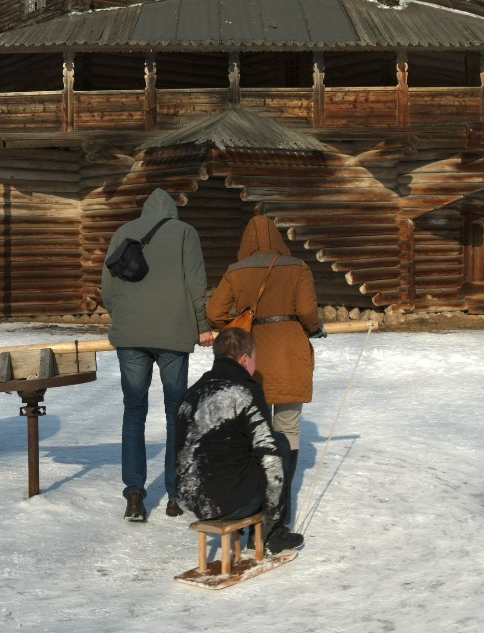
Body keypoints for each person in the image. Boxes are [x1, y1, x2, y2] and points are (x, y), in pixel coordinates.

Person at [100, 187, 214, 522]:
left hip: (131, 336)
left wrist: (120, 316)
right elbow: (196, 281)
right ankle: (176, 495)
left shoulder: (122, 232)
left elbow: (107, 285)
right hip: (173, 335)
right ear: (172, 211)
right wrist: (201, 324)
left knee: (133, 412)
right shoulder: (185, 233)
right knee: (174, 413)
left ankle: (134, 495)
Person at [207, 214, 323, 529]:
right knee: (287, 429)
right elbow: (307, 311)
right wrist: (315, 328)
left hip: (249, 356)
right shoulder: (297, 267)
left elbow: (214, 312)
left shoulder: (235, 271)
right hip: (288, 353)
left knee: (252, 431)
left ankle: (250, 508)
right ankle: (277, 513)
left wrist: (236, 325)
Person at [174, 328, 303, 554]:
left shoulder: (191, 393)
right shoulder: (245, 391)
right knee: (279, 442)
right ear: (245, 359)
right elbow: (269, 456)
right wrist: (271, 518)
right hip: (230, 502)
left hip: (192, 499)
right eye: (254, 359)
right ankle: (272, 535)